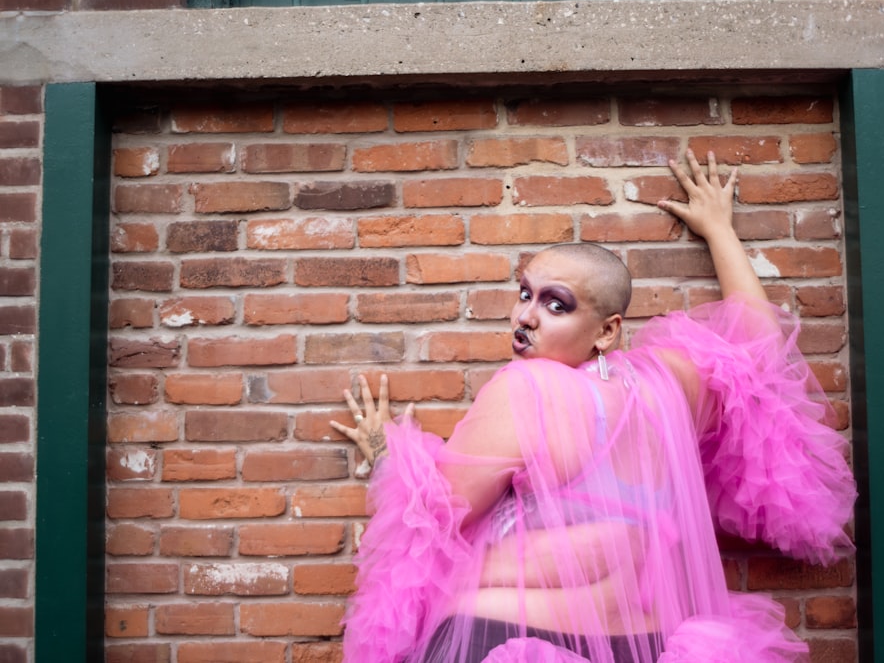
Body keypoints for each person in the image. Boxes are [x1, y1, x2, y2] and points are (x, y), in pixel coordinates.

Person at [331, 150, 857, 663]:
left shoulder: (526, 389)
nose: (525, 317)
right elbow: (760, 353)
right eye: (524, 293)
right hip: (651, 645)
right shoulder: (669, 385)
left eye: (555, 304)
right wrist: (722, 232)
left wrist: (384, 450)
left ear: (608, 331)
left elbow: (432, 517)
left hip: (508, 639)